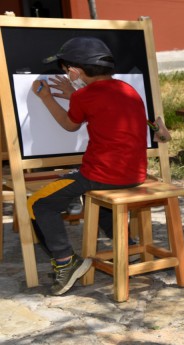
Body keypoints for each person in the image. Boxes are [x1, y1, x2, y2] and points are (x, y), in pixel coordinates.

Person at [30, 37, 148, 296]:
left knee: (39, 203)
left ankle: (65, 262)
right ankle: (126, 246)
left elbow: (70, 124)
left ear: (74, 72)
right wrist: (76, 95)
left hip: (101, 175)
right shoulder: (128, 90)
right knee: (95, 196)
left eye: (65, 69)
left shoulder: (84, 95)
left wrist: (47, 97)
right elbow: (104, 108)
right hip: (135, 174)